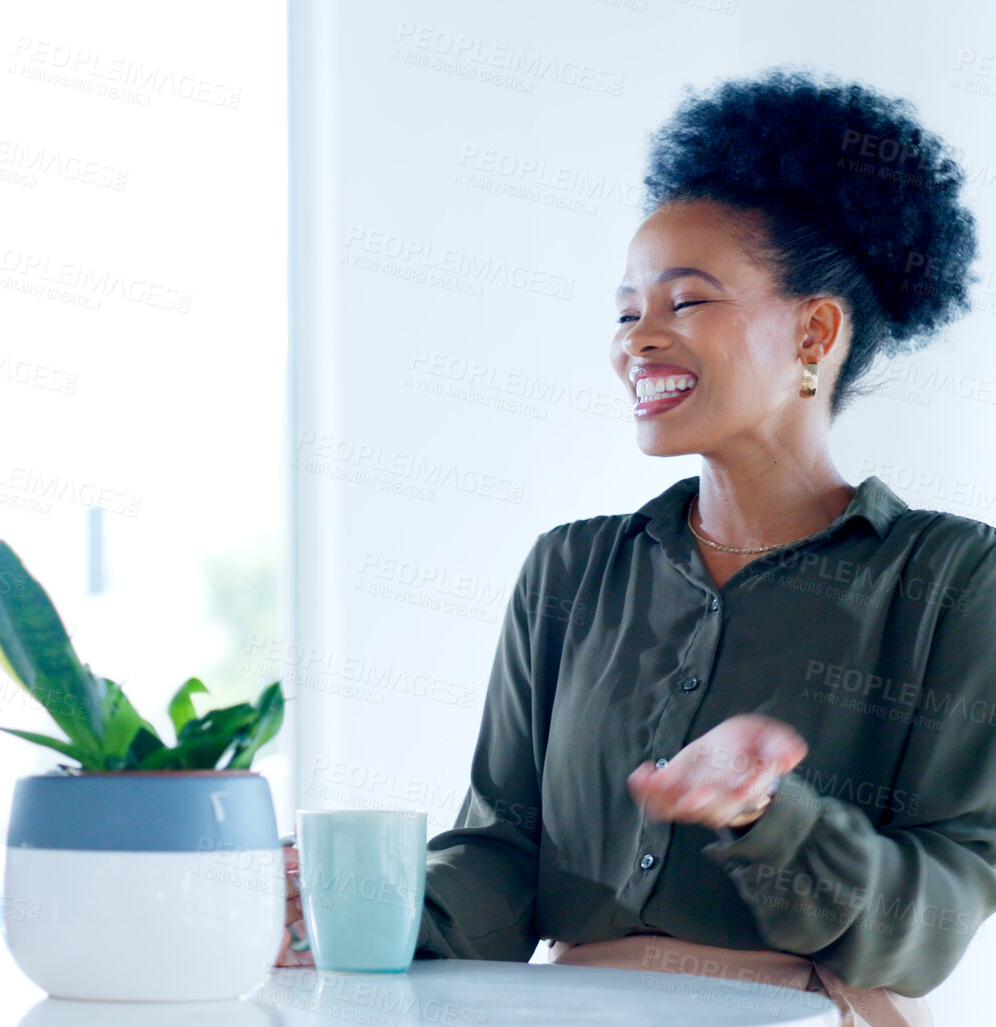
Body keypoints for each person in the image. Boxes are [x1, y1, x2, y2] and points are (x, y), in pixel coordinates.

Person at [281, 69, 993, 1027]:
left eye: (684, 303)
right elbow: (504, 853)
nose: (637, 342)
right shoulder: (569, 570)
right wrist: (351, 907)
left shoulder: (953, 580)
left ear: (815, 331)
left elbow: (933, 912)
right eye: (625, 313)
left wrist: (766, 815)